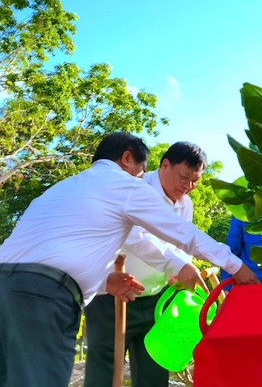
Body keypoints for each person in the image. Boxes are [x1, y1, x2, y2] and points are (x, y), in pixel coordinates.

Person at [0, 132, 259, 387]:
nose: (141, 177)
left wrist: (102, 280)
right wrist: (235, 265)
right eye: (141, 170)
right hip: (42, 300)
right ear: (128, 159)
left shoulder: (63, 188)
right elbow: (184, 234)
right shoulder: (128, 186)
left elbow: (53, 249)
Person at [84, 142, 209, 387]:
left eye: (195, 181)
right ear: (165, 165)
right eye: (184, 177)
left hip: (155, 300)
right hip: (113, 297)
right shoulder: (135, 188)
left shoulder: (186, 204)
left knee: (154, 372)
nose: (188, 186)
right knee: (105, 372)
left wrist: (181, 267)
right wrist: (176, 266)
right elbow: (135, 238)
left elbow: (181, 243)